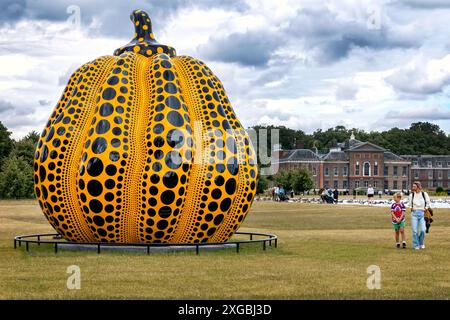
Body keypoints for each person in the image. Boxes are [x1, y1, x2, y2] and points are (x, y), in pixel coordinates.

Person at [408, 181, 431, 250]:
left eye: (414, 186)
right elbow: (409, 204)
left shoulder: (424, 194)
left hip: (422, 214)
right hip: (414, 214)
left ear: (418, 187)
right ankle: (416, 245)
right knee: (415, 231)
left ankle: (421, 243)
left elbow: (428, 203)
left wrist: (425, 208)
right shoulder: (411, 195)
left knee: (423, 230)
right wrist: (412, 208)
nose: (413, 188)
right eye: (413, 186)